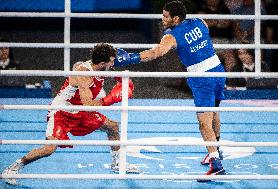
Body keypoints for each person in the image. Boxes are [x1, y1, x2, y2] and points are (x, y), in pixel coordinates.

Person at [114, 1, 226, 181]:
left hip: (203, 79)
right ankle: (216, 151)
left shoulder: (171, 36)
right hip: (218, 71)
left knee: (204, 123)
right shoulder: (200, 21)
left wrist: (129, 59)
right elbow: (204, 40)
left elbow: (155, 53)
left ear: (176, 18)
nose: (162, 18)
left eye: (166, 16)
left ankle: (217, 166)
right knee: (214, 112)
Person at [2, 43, 139, 185]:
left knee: (113, 127)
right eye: (112, 61)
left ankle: (117, 163)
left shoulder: (102, 65)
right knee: (49, 148)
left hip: (80, 110)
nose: (114, 63)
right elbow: (88, 104)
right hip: (62, 112)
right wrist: (111, 98)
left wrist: (128, 66)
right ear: (103, 62)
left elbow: (148, 55)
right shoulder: (84, 73)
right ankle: (13, 168)